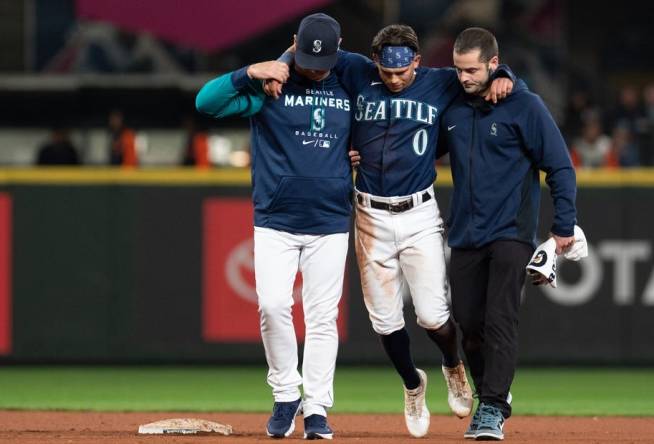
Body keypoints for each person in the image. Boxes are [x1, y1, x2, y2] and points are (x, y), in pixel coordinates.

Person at [269, 23, 515, 438]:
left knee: (434, 316)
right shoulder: (356, 70)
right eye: (387, 71)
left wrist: (507, 74)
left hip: (419, 213)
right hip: (370, 215)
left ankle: (453, 365)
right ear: (376, 61)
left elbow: (483, 71)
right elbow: (304, 49)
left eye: (403, 71)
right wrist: (279, 62)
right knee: (384, 322)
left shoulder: (440, 82)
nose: (396, 78)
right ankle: (412, 384)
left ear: (418, 61)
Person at [196, 13, 353, 440]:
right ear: (292, 44)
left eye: (323, 60)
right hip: (276, 220)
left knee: (322, 320)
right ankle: (286, 393)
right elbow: (205, 103)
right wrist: (250, 71)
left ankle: (317, 408)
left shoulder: (350, 79)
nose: (314, 67)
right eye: (305, 57)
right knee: (271, 306)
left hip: (330, 220)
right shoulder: (269, 85)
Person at [439, 27, 577, 440]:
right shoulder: (453, 107)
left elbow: (560, 166)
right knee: (468, 322)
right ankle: (491, 393)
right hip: (465, 233)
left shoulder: (525, 106)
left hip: (511, 232)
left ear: (494, 65)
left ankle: (493, 407)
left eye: (472, 70)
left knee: (500, 319)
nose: (464, 77)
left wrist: (564, 225)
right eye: (459, 69)